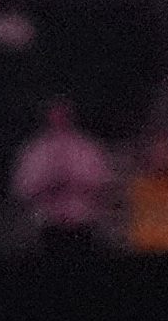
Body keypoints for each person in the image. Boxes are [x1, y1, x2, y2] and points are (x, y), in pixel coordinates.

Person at [8, 93, 114, 253]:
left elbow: (104, 183)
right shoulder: (34, 150)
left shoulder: (87, 148)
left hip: (82, 223)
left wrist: (77, 185)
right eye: (55, 113)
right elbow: (22, 188)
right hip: (46, 224)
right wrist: (48, 187)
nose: (59, 118)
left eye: (63, 113)